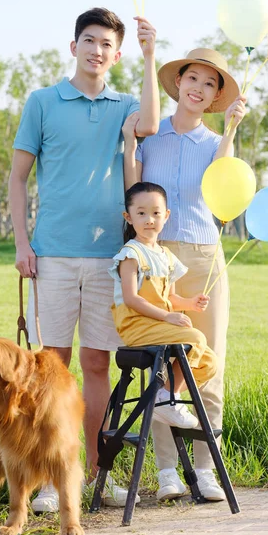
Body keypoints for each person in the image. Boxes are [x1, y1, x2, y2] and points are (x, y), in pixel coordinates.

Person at [8, 7, 160, 512]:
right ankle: (52, 478)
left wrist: (149, 56)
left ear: (115, 55)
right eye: (89, 41)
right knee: (52, 366)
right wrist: (22, 244)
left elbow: (153, 124)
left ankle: (94, 472)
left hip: (106, 258)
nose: (97, 50)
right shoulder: (43, 102)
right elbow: (17, 178)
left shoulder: (123, 108)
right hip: (51, 254)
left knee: (98, 362)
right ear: (73, 46)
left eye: (107, 45)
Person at [123, 48, 246, 502]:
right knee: (159, 365)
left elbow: (222, 192)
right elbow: (130, 189)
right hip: (157, 258)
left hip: (205, 258)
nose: (198, 87)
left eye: (209, 83)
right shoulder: (151, 140)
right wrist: (130, 142)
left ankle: (206, 469)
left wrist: (232, 131)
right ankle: (167, 472)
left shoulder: (217, 143)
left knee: (208, 363)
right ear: (178, 85)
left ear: (215, 96)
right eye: (191, 77)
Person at [109, 180, 217, 429]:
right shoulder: (131, 254)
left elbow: (169, 298)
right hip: (136, 325)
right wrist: (168, 317)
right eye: (141, 213)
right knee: (197, 338)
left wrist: (190, 303)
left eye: (156, 213)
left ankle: (167, 395)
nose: (149, 220)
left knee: (209, 361)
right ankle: (167, 400)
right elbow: (131, 298)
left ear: (166, 216)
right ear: (129, 217)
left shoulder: (166, 257)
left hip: (158, 324)